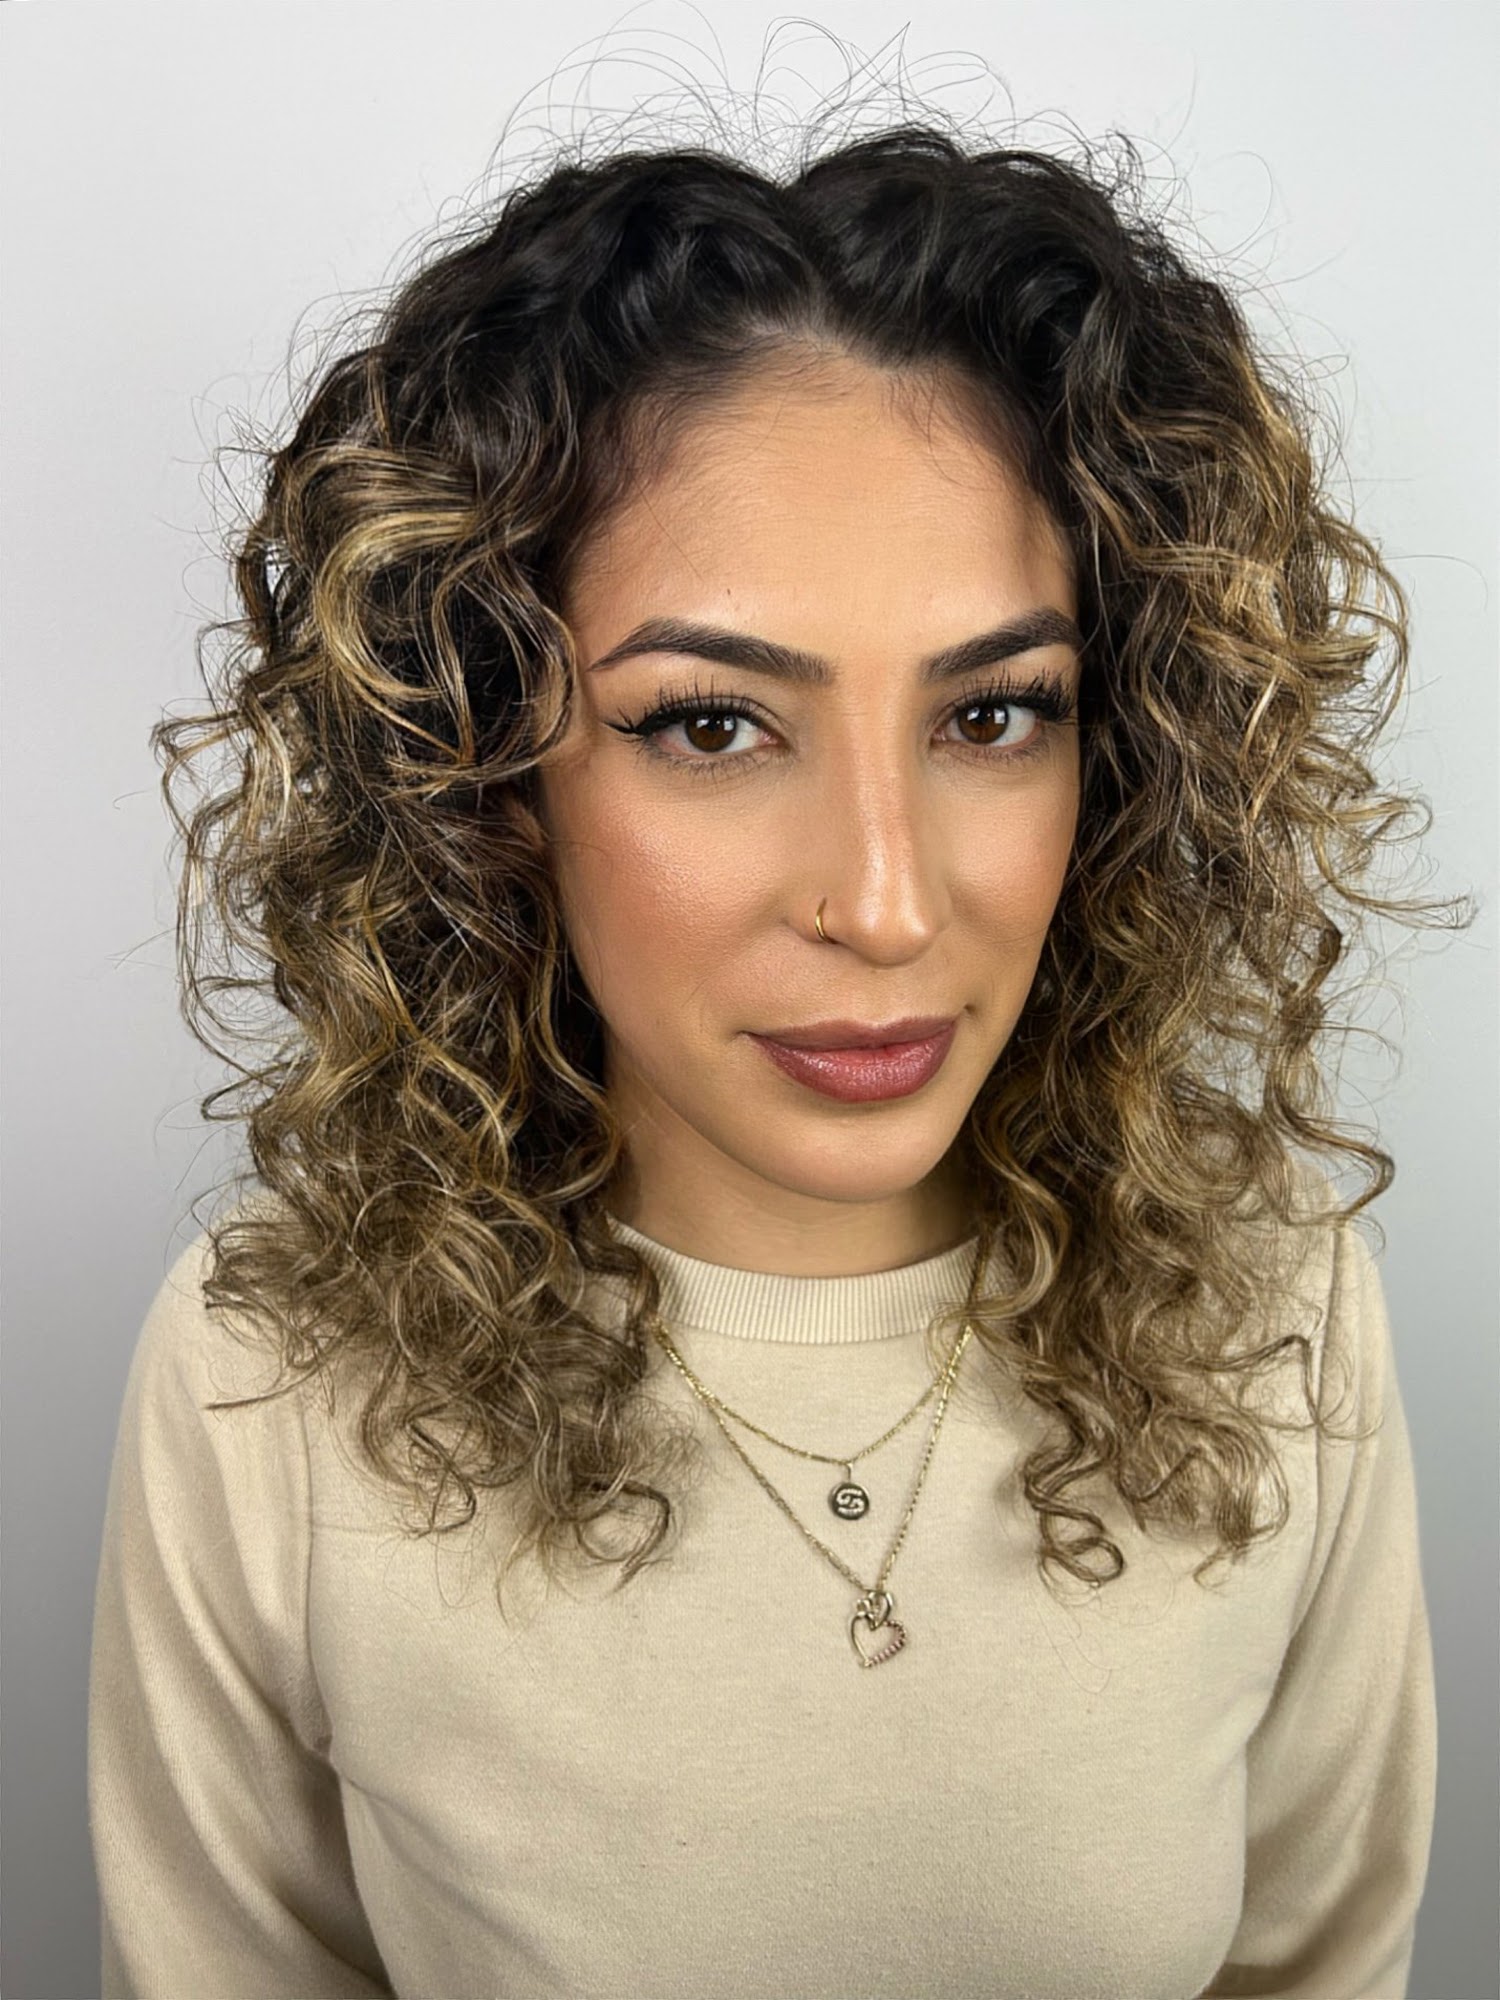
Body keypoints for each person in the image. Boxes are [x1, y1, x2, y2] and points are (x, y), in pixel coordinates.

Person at [88, 105, 1461, 2000]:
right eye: (713, 727)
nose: (885, 904)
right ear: (488, 776)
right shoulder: (272, 1379)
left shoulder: (1274, 1305)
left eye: (994, 712)